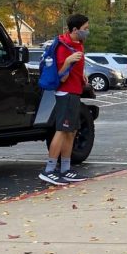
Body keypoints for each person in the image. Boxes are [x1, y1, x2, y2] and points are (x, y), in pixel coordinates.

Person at [39, 13, 90, 186]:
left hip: (75, 91)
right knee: (61, 130)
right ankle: (49, 170)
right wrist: (68, 62)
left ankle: (66, 169)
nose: (87, 32)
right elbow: (60, 77)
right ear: (75, 29)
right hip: (65, 93)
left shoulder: (78, 44)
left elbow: (77, 67)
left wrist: (81, 73)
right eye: (85, 29)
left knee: (72, 131)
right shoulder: (64, 47)